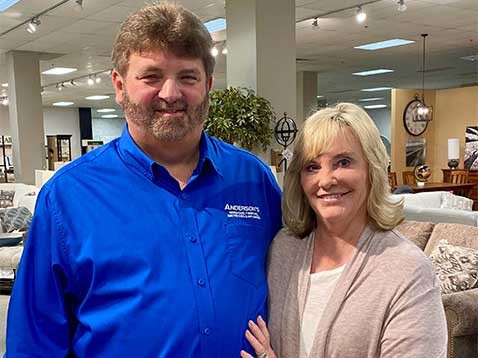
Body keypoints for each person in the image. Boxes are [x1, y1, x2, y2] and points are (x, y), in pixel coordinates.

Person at [5, 3, 281, 357]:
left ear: (208, 85)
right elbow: (34, 340)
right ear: (119, 86)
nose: (171, 93)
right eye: (151, 76)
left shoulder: (252, 180)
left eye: (188, 77)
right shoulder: (68, 197)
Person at [241, 103, 447, 358]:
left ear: (372, 169)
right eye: (312, 167)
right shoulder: (284, 250)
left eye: (343, 162)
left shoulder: (408, 272)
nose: (326, 180)